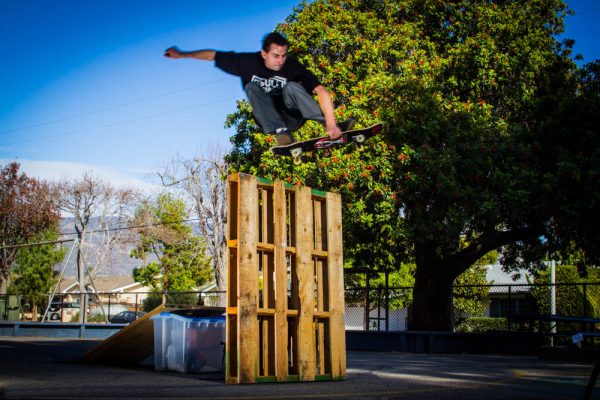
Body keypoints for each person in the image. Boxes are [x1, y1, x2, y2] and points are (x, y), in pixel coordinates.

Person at [164, 32, 353, 145]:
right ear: (264, 53)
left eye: (283, 56)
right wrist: (182, 54)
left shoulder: (292, 66)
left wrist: (331, 122)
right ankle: (281, 133)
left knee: (292, 87)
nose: (280, 61)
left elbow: (321, 91)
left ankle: (330, 125)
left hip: (292, 116)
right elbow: (213, 55)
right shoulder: (246, 62)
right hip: (269, 118)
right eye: (275, 56)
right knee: (252, 87)